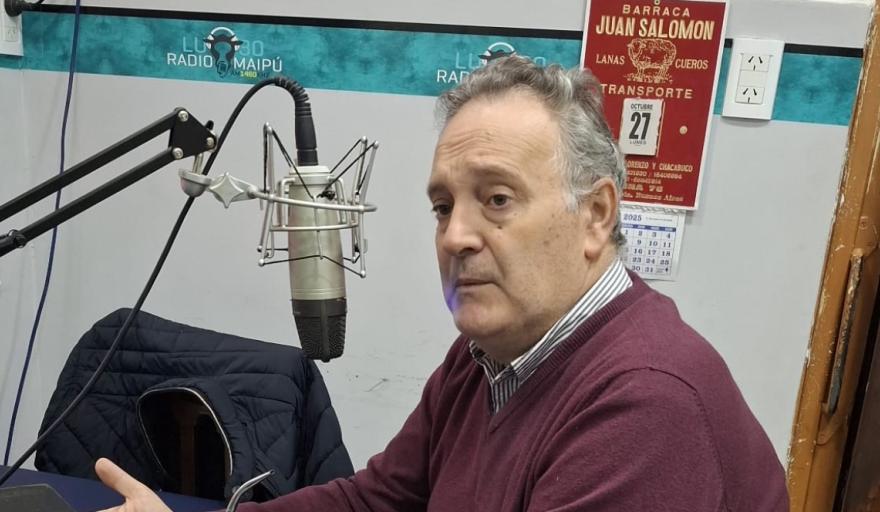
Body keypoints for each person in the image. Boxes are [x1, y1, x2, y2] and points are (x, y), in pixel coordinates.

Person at [95, 55, 788, 511]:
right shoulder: (487, 357)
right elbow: (379, 501)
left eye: (497, 199)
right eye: (442, 205)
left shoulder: (646, 407)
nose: (456, 236)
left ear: (596, 215)